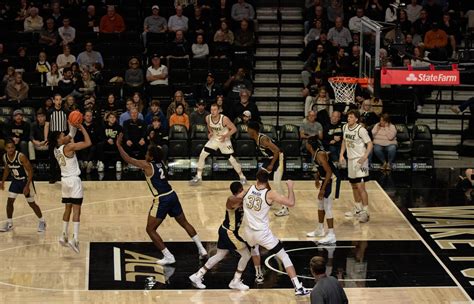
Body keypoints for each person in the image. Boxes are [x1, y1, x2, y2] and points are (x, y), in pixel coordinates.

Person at [116, 134, 208, 265]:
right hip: (172, 195)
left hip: (162, 199)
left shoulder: (147, 165)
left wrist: (119, 145)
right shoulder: (160, 163)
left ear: (151, 156)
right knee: (184, 223)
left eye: (147, 153)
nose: (145, 155)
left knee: (150, 229)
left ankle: (168, 255)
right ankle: (201, 249)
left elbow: (128, 159)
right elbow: (156, 151)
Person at [238, 170, 310, 296]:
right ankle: (298, 287)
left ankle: (259, 275)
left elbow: (239, 199)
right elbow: (291, 203)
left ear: (256, 178)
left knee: (254, 249)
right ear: (268, 180)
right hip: (262, 233)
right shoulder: (270, 194)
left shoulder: (248, 189)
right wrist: (290, 187)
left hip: (248, 231)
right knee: (284, 256)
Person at [189, 181, 253, 291]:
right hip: (229, 232)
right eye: (242, 190)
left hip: (225, 230)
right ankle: (236, 281)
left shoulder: (243, 199)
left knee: (219, 255)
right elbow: (239, 199)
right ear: (239, 190)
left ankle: (197, 275)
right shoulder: (231, 199)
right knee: (246, 255)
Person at [51, 122, 91, 253]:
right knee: (77, 211)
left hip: (64, 182)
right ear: (59, 139)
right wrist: (82, 127)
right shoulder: (69, 147)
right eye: (62, 135)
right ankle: (75, 239)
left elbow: (70, 135)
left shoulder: (56, 150)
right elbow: (88, 143)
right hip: (74, 181)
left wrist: (72, 124)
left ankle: (63, 235)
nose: (65, 135)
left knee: (67, 208)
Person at [190, 103, 247, 185]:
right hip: (215, 139)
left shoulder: (224, 119)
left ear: (219, 111)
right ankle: (198, 177)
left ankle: (242, 177)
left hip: (224, 139)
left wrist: (225, 136)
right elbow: (209, 126)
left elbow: (234, 129)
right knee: (202, 154)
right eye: (211, 110)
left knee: (231, 159)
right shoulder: (208, 118)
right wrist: (210, 133)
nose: (213, 112)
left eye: (215, 110)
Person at [0, 140, 46, 232]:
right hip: (15, 181)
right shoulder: (5, 157)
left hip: (25, 181)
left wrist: (27, 186)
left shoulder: (21, 156)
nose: (11, 149)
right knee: (9, 202)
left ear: (15, 147)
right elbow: (7, 169)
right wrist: (3, 181)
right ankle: (9, 223)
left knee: (31, 203)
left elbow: (30, 171)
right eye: (8, 148)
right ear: (5, 148)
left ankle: (42, 221)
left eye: (12, 147)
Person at [247, 121, 287, 217]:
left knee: (277, 183)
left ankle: (285, 208)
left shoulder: (263, 139)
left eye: (248, 129)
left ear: (253, 130)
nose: (247, 131)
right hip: (270, 159)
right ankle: (271, 197)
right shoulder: (256, 138)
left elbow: (277, 150)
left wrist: (272, 165)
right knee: (260, 176)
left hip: (278, 158)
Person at [339, 110, 373, 223]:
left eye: (351, 117)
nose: (349, 118)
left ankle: (366, 212)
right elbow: (344, 141)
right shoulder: (344, 127)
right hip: (350, 160)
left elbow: (370, 144)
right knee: (353, 185)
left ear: (356, 119)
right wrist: (341, 154)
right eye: (348, 116)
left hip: (360, 161)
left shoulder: (361, 130)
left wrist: (364, 157)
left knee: (361, 187)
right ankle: (358, 209)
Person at [306, 137, 338, 244]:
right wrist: (317, 179)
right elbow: (321, 169)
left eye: (307, 143)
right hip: (325, 180)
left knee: (327, 207)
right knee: (320, 205)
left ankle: (331, 235)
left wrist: (323, 189)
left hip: (332, 180)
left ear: (310, 146)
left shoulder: (320, 155)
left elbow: (329, 172)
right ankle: (320, 229)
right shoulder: (315, 153)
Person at [44, 94, 69, 184]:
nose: (58, 101)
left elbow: (69, 124)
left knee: (64, 157)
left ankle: (63, 175)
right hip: (53, 136)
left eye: (60, 99)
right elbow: (47, 125)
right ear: (54, 101)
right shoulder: (49, 112)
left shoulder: (66, 111)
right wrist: (45, 138)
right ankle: (53, 176)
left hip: (63, 136)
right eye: (57, 99)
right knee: (53, 157)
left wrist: (70, 136)